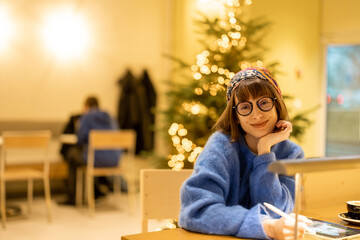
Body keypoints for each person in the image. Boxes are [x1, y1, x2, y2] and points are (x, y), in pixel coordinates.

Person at [179, 67, 312, 240]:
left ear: (277, 105)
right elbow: (196, 211)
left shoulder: (292, 153)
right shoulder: (220, 146)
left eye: (264, 103)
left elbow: (276, 210)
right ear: (235, 116)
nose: (256, 114)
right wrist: (266, 227)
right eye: (244, 107)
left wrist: (264, 151)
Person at [59, 96, 121, 206]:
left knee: (72, 154)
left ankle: (74, 196)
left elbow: (80, 139)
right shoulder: (111, 118)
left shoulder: (87, 117)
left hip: (96, 161)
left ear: (86, 106)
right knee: (90, 155)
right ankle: (94, 191)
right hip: (115, 161)